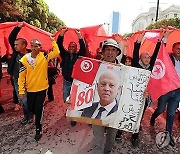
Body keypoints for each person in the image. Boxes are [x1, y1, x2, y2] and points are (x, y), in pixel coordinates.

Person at [18, 36, 60, 141]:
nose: (33, 48)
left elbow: (56, 52)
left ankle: (38, 128)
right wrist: (21, 91)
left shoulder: (44, 56)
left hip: (42, 88)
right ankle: (35, 118)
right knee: (31, 108)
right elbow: (21, 76)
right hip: (30, 89)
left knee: (39, 109)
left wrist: (53, 40)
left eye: (36, 46)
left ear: (40, 47)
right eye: (32, 45)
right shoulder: (24, 59)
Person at [91, 38, 121, 154]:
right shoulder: (93, 67)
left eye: (113, 50)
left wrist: (142, 94)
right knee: (97, 140)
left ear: (117, 53)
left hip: (116, 112)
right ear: (102, 52)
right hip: (96, 111)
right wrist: (72, 98)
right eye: (107, 49)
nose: (110, 52)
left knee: (111, 139)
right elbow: (81, 85)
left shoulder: (125, 70)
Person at [150, 41, 180, 147]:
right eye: (178, 48)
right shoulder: (167, 58)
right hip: (166, 90)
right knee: (161, 109)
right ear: (173, 49)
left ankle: (168, 135)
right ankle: (153, 117)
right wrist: (165, 39)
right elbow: (160, 52)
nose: (179, 51)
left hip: (177, 92)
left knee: (171, 113)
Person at [57, 26, 86, 126]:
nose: (71, 48)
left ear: (76, 48)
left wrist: (79, 36)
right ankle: (70, 110)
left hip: (76, 82)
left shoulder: (79, 56)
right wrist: (62, 33)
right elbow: (59, 44)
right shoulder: (64, 54)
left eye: (73, 46)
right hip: (66, 82)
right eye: (69, 46)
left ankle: (73, 116)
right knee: (66, 98)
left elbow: (83, 47)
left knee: (74, 99)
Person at [8, 22, 32, 124]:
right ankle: (27, 115)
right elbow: (11, 38)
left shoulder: (31, 55)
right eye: (14, 45)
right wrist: (18, 27)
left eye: (17, 45)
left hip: (29, 81)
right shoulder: (16, 53)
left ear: (24, 45)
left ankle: (30, 114)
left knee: (27, 100)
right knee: (22, 100)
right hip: (17, 81)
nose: (15, 46)